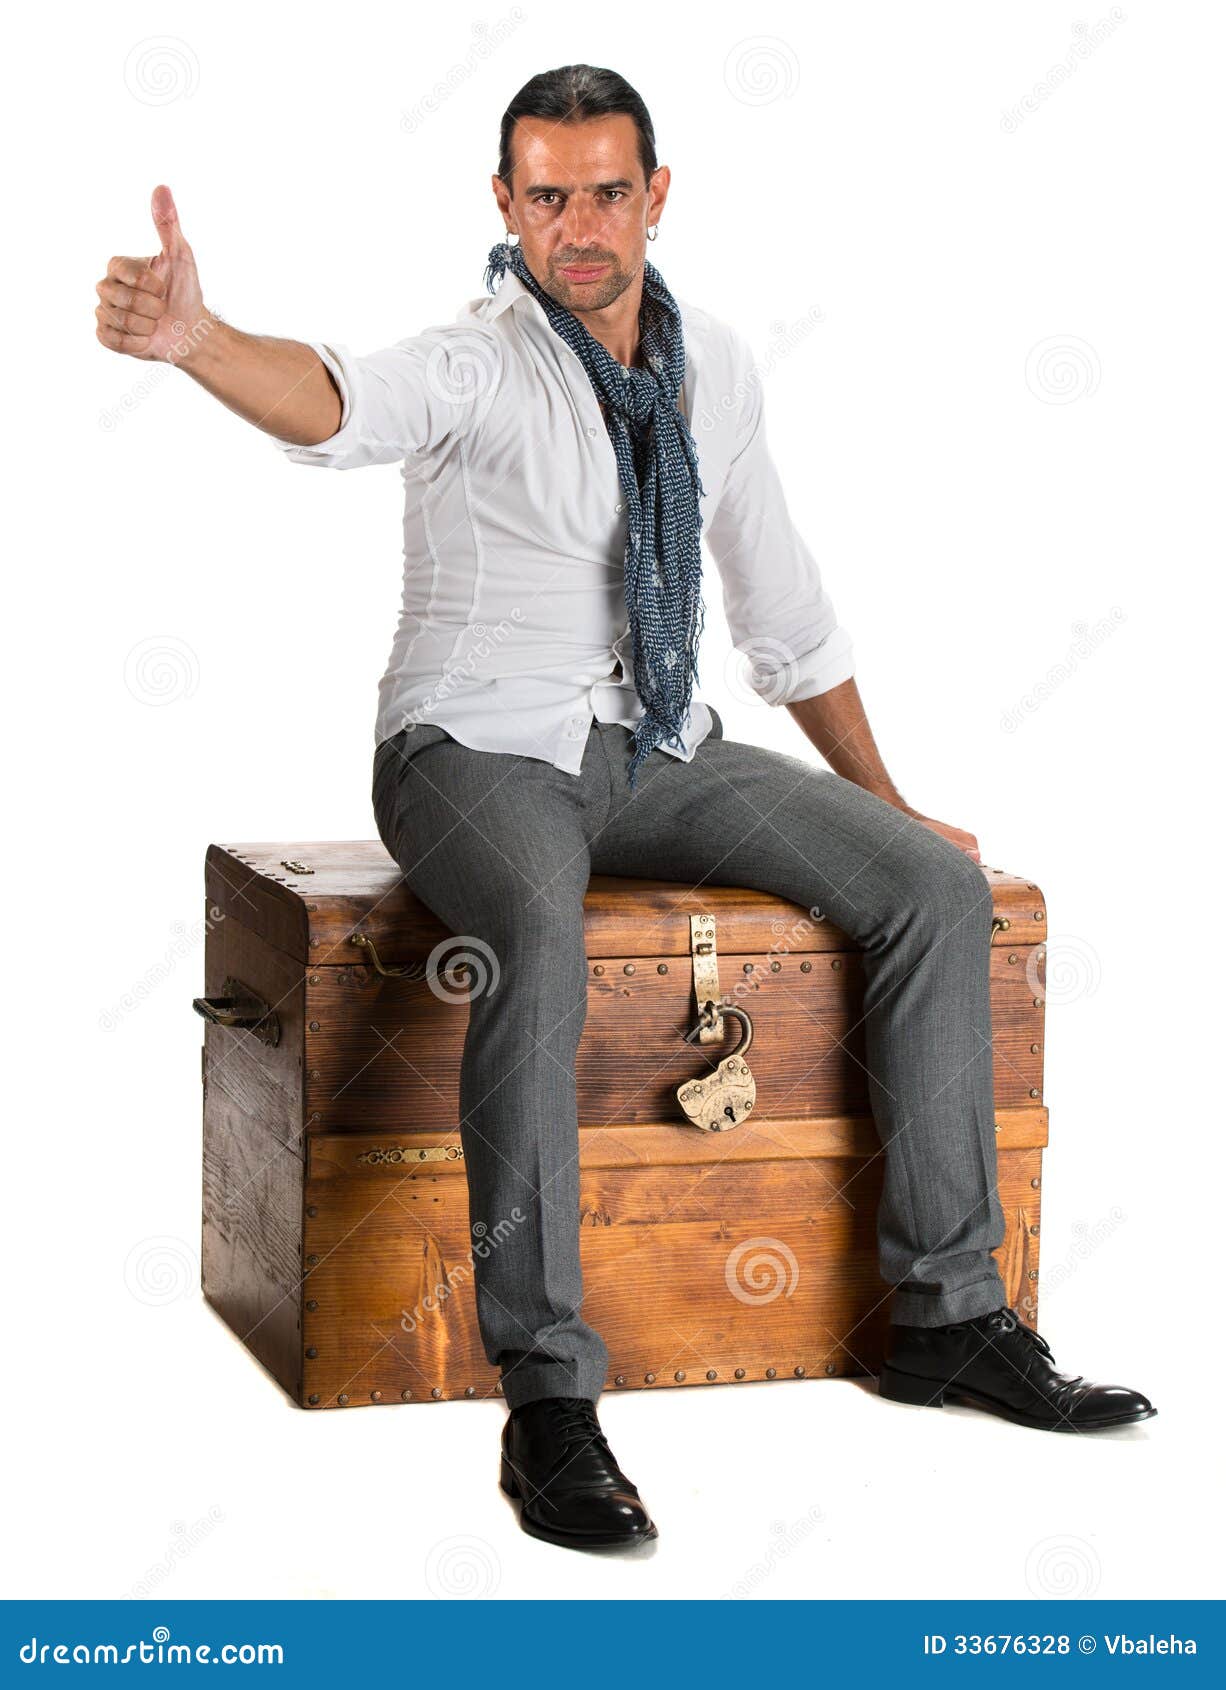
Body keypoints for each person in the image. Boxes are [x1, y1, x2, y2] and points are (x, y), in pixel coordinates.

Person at [95, 62, 1155, 1556]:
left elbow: (780, 601)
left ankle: (949, 1315)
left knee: (929, 887)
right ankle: (547, 1397)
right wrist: (201, 338)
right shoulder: (476, 361)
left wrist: (895, 809)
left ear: (656, 194)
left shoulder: (715, 363)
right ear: (503, 205)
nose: (576, 226)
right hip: (468, 753)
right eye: (546, 196)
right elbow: (339, 399)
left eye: (605, 192)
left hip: (649, 743)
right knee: (538, 915)